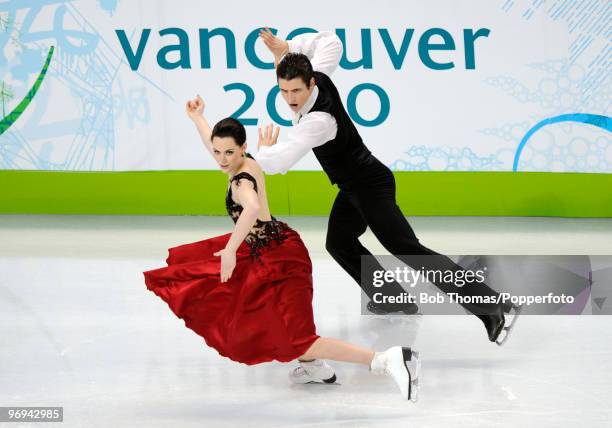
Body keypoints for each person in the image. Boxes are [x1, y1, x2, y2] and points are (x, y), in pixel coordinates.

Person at [142, 96, 421, 401]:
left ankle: (387, 360)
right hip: (271, 249)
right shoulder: (243, 161)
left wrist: (232, 250)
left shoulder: (241, 181)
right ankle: (312, 368)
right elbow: (217, 147)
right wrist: (198, 119)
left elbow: (249, 209)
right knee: (264, 316)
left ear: (242, 149)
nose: (221, 159)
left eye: (228, 152)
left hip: (279, 261)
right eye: (218, 151)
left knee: (299, 338)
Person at [254, 29, 520, 345]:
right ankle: (394, 298)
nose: (290, 99)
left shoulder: (318, 121)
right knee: (340, 243)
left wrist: (263, 150)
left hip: (369, 183)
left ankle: (491, 306)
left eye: (296, 90)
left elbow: (277, 163)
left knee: (407, 249)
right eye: (283, 91)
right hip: (353, 186)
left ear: (311, 82)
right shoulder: (319, 75)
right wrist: (287, 47)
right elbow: (330, 41)